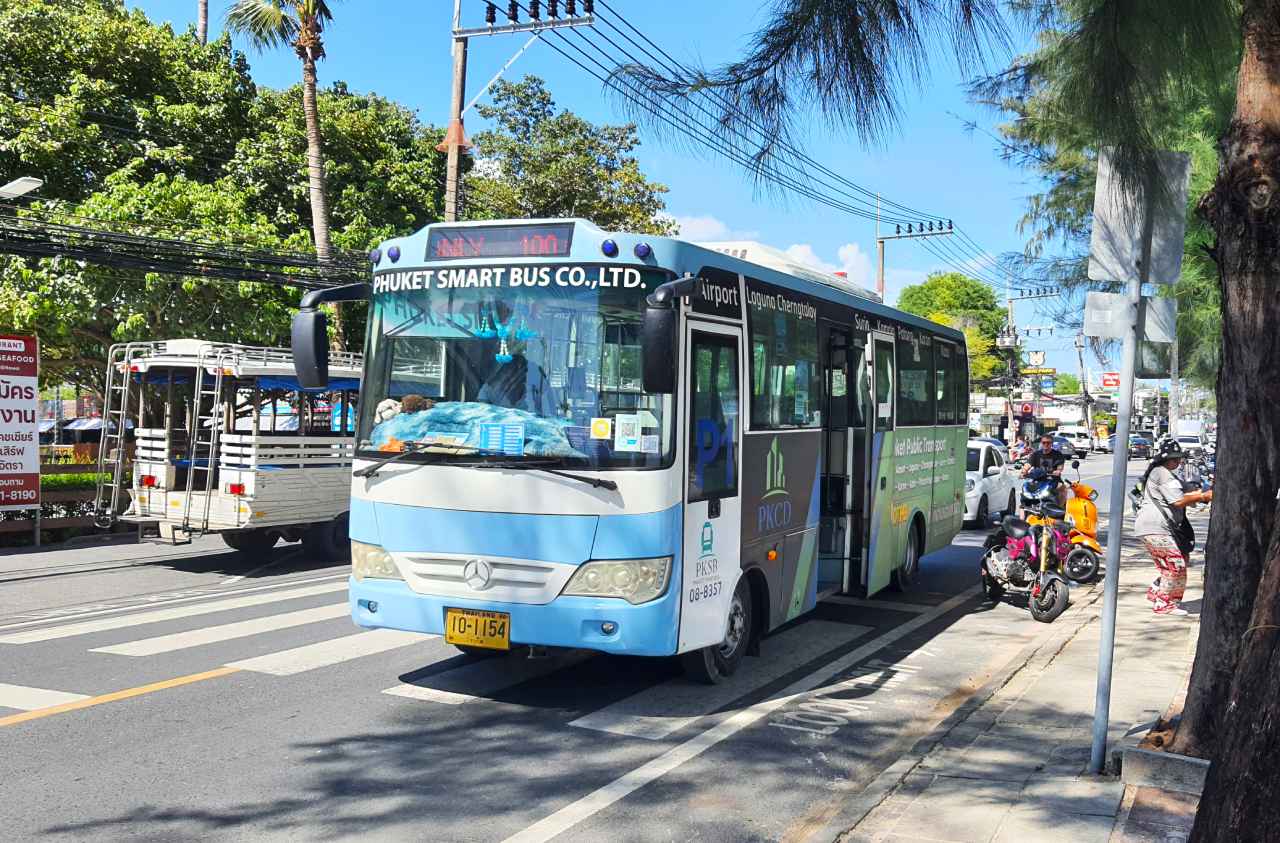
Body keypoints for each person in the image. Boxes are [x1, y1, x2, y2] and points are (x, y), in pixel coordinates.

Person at [1133, 440, 1213, 616]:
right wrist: (1203, 496)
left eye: (1178, 458)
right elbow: (1178, 501)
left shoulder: (1168, 475)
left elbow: (1185, 494)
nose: (1177, 462)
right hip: (1155, 528)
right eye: (1173, 459)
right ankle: (1164, 604)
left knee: (1178, 561)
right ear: (1164, 460)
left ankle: (1157, 591)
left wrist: (1200, 493)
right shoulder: (1161, 473)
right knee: (1175, 565)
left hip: (1156, 529)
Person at [1022, 434, 1067, 505]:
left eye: (1048, 443)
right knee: (1025, 490)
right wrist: (1024, 471)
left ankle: (1060, 510)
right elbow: (1028, 464)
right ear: (1041, 443)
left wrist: (1058, 471)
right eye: (1044, 442)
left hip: (1053, 480)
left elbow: (1060, 467)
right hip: (1038, 480)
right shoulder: (1036, 454)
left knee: (1062, 487)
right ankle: (1024, 512)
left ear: (1051, 444)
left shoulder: (1058, 454)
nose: (1046, 444)